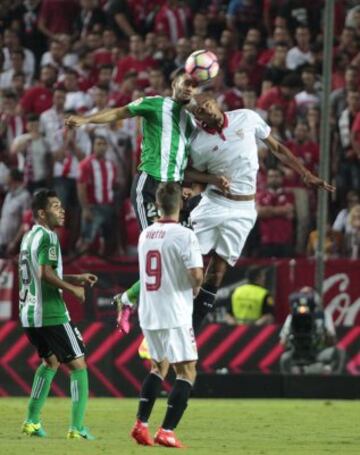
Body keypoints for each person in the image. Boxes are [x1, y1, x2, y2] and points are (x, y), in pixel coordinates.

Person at [65, 69, 227, 327]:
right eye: (185, 83)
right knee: (158, 249)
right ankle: (137, 306)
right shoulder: (154, 103)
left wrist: (214, 180)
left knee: (175, 253)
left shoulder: (190, 124)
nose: (188, 89)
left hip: (173, 192)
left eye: (193, 87)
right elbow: (118, 112)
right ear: (174, 83)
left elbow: (187, 167)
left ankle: (132, 300)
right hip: (149, 187)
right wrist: (86, 120)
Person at [186, 94, 334, 332]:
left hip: (245, 209)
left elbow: (276, 147)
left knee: (217, 271)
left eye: (208, 105)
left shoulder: (247, 117)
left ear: (215, 102)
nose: (208, 111)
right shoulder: (197, 143)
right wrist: (212, 179)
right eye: (201, 110)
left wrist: (304, 173)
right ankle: (165, 313)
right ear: (196, 117)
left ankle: (191, 328)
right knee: (187, 262)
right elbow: (187, 174)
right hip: (214, 204)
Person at [19, 189, 98, 439]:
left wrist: (75, 277)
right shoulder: (49, 238)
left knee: (50, 362)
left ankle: (31, 421)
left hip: (29, 314)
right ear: (42, 213)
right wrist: (73, 289)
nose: (61, 210)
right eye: (55, 206)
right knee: (78, 366)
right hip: (51, 313)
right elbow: (45, 275)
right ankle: (77, 428)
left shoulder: (28, 237)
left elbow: (40, 274)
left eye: (61, 205)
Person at [130, 182, 203, 448]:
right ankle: (167, 431)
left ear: (157, 205)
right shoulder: (185, 235)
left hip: (149, 311)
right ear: (181, 204)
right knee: (187, 371)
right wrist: (195, 285)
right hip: (174, 312)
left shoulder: (145, 234)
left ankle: (141, 424)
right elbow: (196, 275)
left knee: (158, 366)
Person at [279, 287, 345, 374]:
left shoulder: (324, 316)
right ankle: (290, 383)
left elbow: (332, 341)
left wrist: (326, 334)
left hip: (317, 352)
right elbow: (282, 343)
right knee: (284, 359)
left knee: (339, 352)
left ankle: (308, 371)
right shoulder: (292, 317)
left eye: (308, 294)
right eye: (302, 295)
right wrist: (290, 337)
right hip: (297, 353)